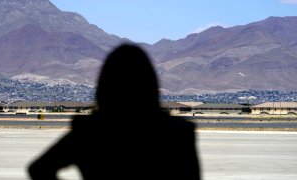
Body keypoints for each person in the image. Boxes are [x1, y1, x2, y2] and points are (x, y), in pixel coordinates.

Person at [28, 44, 200, 179]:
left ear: (104, 87)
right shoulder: (177, 134)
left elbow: (39, 169)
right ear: (151, 85)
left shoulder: (89, 132)